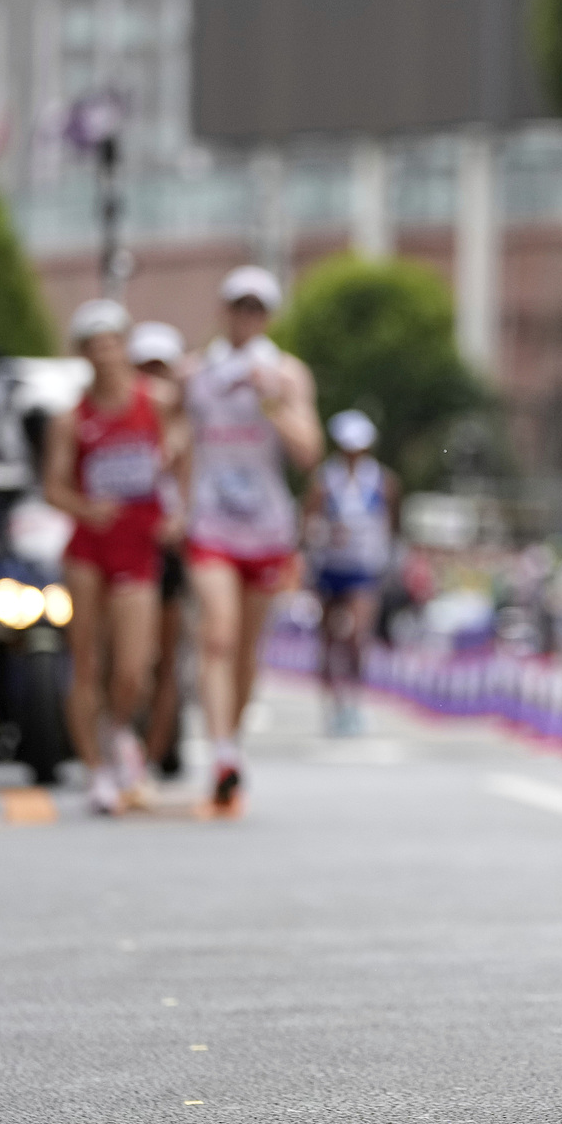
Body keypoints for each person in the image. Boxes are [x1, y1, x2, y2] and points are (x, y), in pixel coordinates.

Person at [182, 267, 322, 812]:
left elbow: (309, 453)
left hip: (265, 527)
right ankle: (220, 754)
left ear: (269, 317)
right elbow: (173, 436)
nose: (248, 318)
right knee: (217, 634)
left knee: (245, 650)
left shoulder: (287, 375)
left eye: (258, 309)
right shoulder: (197, 373)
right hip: (211, 522)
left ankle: (230, 744)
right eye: (239, 307)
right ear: (224, 312)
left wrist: (271, 401)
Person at [42, 299, 184, 815]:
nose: (105, 353)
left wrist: (179, 511)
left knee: (134, 668)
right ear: (82, 353)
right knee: (86, 661)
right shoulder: (70, 418)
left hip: (139, 543)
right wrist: (85, 507)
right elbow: (52, 486)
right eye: (94, 345)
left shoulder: (158, 402)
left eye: (113, 342)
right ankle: (96, 771)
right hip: (88, 546)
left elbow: (184, 447)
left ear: (126, 346)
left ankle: (118, 726)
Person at [304, 410, 396, 735]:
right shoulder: (324, 481)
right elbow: (309, 524)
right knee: (328, 640)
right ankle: (333, 705)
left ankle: (355, 702)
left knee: (357, 637)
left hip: (364, 569)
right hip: (329, 568)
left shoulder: (384, 482)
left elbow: (391, 527)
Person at [128, 320, 190, 778]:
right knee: (127, 656)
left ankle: (156, 752)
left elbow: (194, 494)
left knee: (168, 659)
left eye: (160, 368)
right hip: (124, 549)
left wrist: (178, 522)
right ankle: (123, 742)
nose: (152, 377)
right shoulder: (120, 417)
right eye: (143, 368)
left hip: (169, 554)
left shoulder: (190, 428)